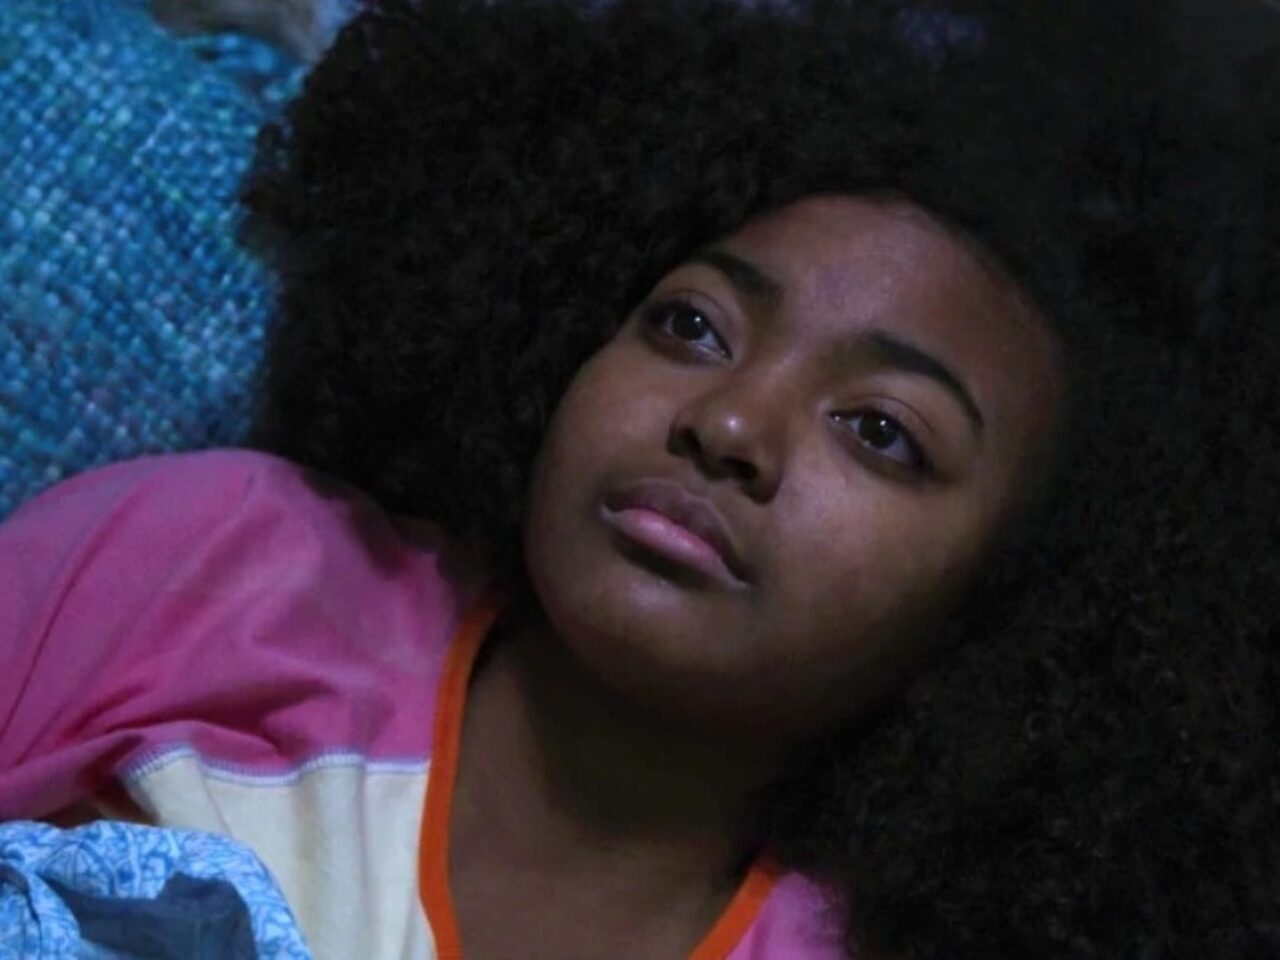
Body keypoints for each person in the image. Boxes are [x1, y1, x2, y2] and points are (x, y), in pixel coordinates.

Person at [2, 1, 1277, 957]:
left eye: (880, 432)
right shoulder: (215, 564)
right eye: (690, 326)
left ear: (1018, 610)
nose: (727, 423)